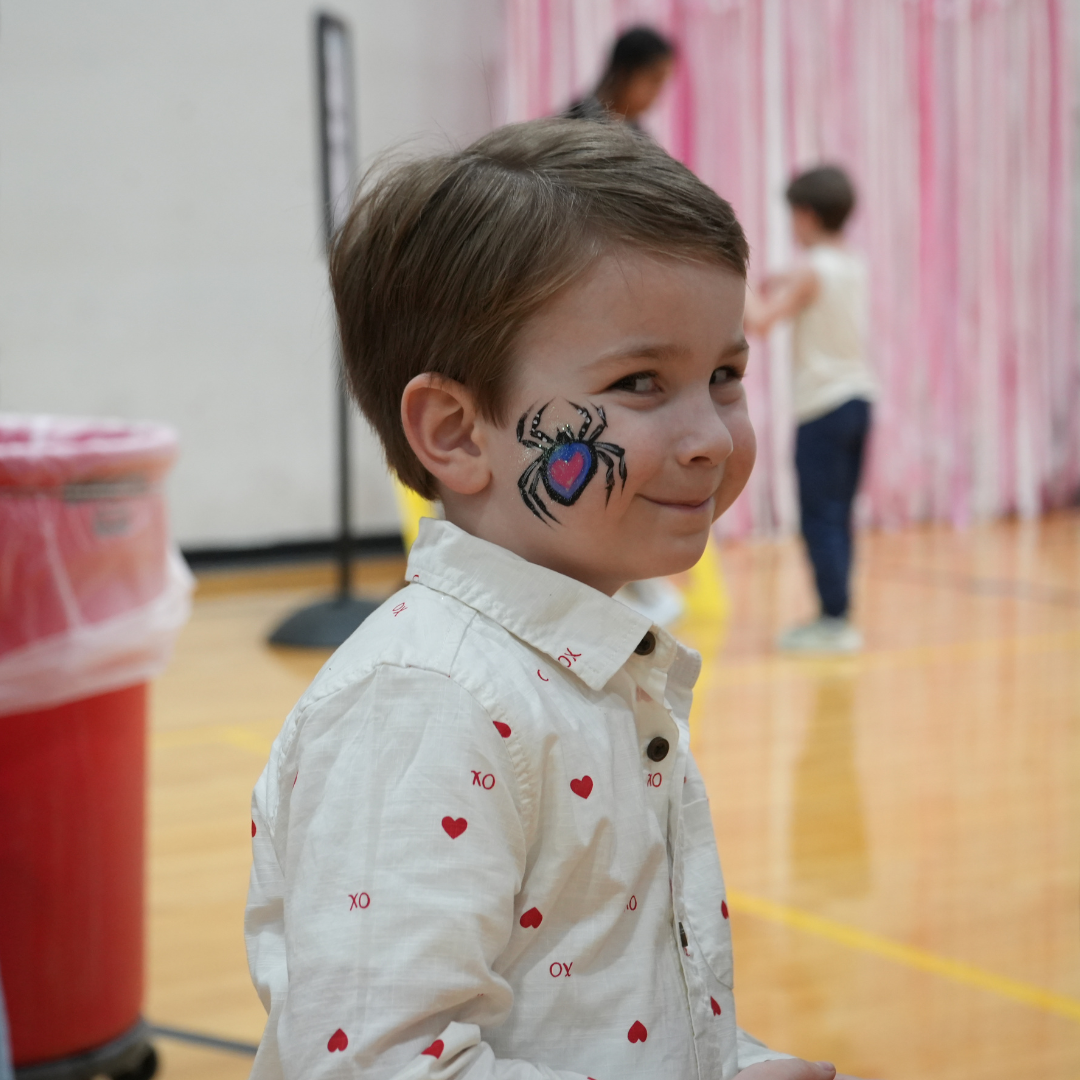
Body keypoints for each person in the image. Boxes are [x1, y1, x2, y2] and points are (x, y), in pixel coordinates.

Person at [245, 120, 865, 1080]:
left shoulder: (588, 665)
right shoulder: (427, 703)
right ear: (456, 431)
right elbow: (383, 1065)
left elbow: (593, 997)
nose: (708, 435)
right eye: (640, 383)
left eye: (726, 377)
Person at [744, 165, 876, 654]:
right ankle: (839, 615)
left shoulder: (810, 270)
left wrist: (730, 274)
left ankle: (833, 621)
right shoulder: (849, 263)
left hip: (823, 407)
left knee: (819, 516)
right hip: (859, 401)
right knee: (838, 515)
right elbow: (808, 285)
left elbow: (758, 322)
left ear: (806, 214)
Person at [566, 25, 674, 126]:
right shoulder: (578, 122)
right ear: (623, 73)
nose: (656, 94)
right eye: (654, 80)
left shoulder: (635, 130)